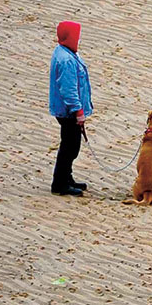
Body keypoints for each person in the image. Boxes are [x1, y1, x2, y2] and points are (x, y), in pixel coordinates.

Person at [48, 21, 94, 196]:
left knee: (70, 145)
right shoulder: (66, 59)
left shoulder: (66, 52)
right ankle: (60, 183)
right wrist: (78, 111)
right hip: (68, 112)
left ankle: (67, 178)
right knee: (70, 146)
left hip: (67, 110)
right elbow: (68, 89)